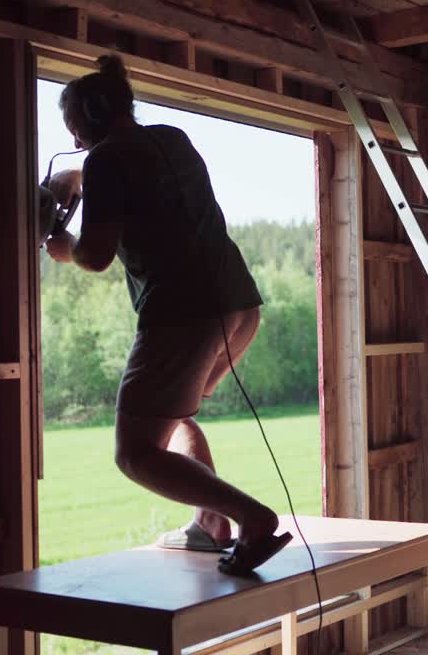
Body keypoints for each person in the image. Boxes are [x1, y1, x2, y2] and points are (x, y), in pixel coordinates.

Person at [44, 54, 291, 574]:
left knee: (135, 454)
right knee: (172, 413)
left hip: (183, 316)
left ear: (91, 117)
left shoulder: (105, 160)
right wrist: (82, 173)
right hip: (239, 306)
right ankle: (211, 524)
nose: (75, 140)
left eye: (74, 128)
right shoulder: (173, 138)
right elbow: (140, 170)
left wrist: (63, 247)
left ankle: (253, 519)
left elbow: (96, 254)